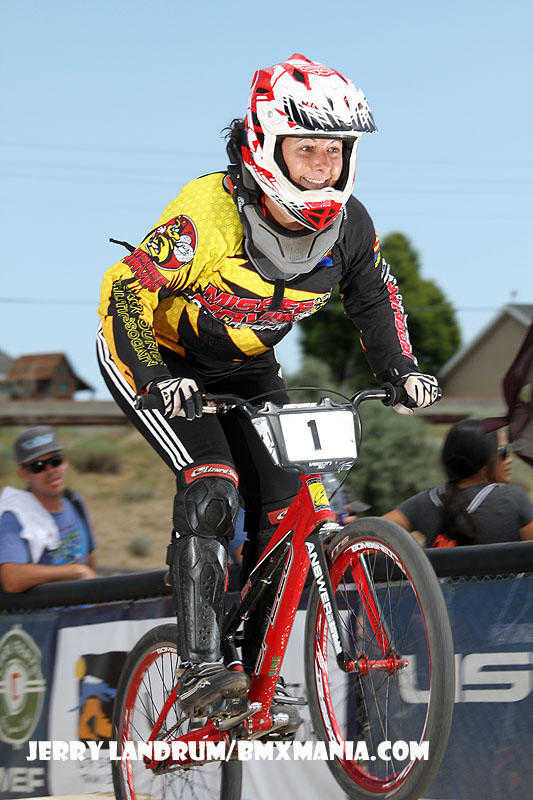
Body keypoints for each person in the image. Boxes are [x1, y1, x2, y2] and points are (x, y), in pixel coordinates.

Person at [97, 53, 440, 717]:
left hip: (249, 369)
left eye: (334, 151)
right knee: (212, 486)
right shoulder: (208, 216)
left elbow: (374, 295)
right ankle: (199, 671)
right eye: (304, 148)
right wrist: (156, 379)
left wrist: (401, 371)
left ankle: (255, 682)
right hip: (161, 358)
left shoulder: (349, 225)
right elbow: (126, 291)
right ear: (264, 143)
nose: (320, 166)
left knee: (288, 516)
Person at [383, 418, 533, 546]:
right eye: (504, 452)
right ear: (486, 462)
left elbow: (373, 531)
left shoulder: (424, 503)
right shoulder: (513, 499)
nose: (509, 459)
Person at [0, 426, 97, 593]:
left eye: (55, 461)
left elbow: (89, 558)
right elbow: (12, 578)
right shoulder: (15, 517)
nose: (50, 471)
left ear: (65, 462)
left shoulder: (74, 502)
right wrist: (75, 571)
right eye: (38, 466)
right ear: (24, 474)